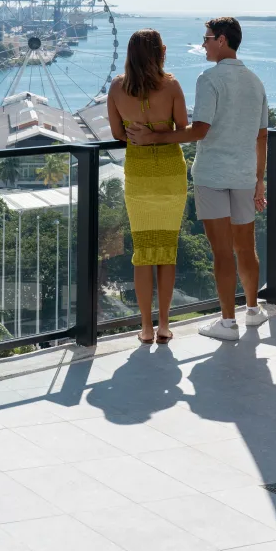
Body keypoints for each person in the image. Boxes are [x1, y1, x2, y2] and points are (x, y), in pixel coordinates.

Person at [127, 16, 268, 341]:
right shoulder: (255, 81)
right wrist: (259, 179)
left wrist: (153, 138)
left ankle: (228, 323)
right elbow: (262, 135)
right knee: (246, 247)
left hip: (212, 175)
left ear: (221, 40)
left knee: (222, 252)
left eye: (206, 38)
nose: (203, 44)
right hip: (245, 174)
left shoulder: (209, 79)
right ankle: (253, 310)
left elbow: (199, 130)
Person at [107, 29, 188, 346]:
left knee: (142, 253)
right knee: (167, 251)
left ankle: (145, 328)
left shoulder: (117, 88)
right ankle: (164, 325)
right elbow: (182, 129)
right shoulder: (172, 86)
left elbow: (117, 133)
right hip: (170, 174)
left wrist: (138, 132)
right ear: (160, 52)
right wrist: (158, 132)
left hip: (139, 175)